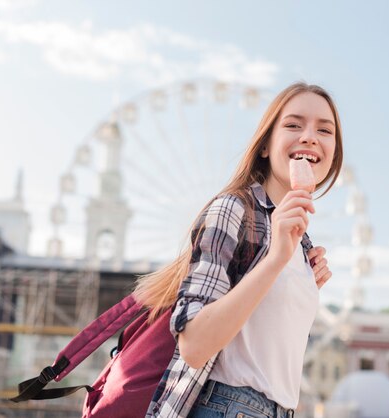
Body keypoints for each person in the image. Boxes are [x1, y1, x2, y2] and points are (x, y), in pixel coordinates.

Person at [133, 82, 344, 418]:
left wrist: (299, 279)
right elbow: (194, 344)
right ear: (265, 146)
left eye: (325, 129)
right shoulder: (233, 209)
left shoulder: (299, 241)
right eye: (293, 125)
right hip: (228, 406)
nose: (309, 136)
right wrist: (276, 261)